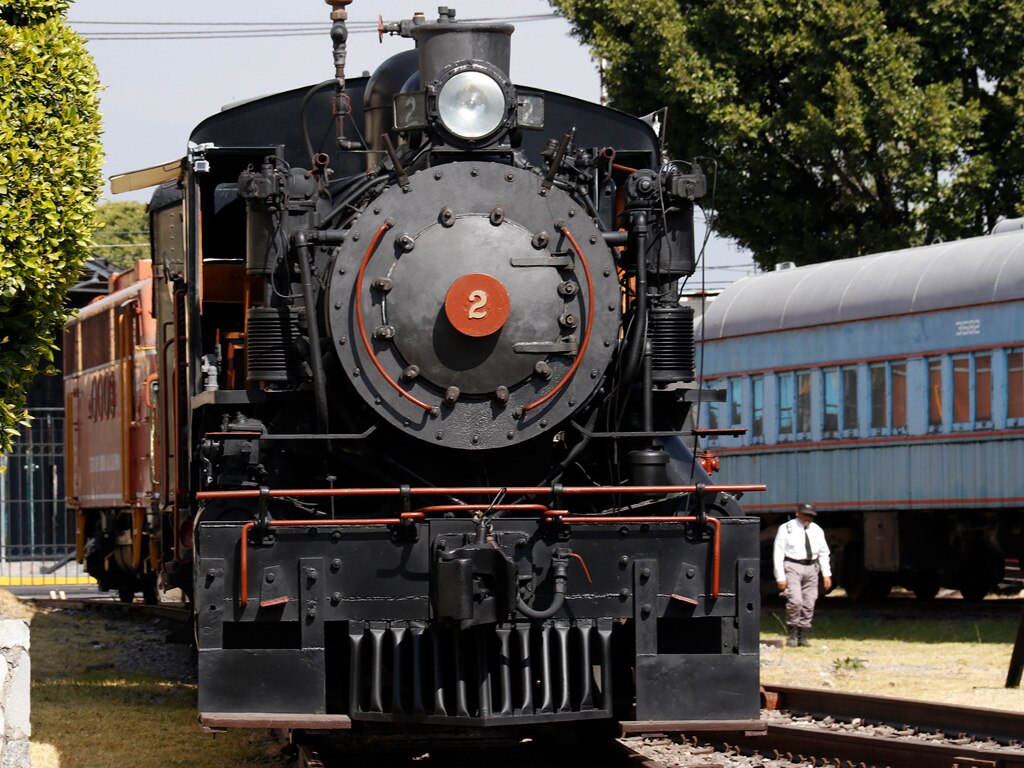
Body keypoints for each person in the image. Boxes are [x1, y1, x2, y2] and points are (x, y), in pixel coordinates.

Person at [773, 503, 832, 647]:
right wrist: (780, 576)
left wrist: (826, 573)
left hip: (812, 566)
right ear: (797, 513)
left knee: (809, 602)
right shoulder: (786, 528)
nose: (808, 518)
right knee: (795, 600)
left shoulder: (816, 530)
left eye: (811, 516)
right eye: (806, 515)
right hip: (793, 565)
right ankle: (791, 633)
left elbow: (824, 552)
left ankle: (803, 635)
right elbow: (778, 552)